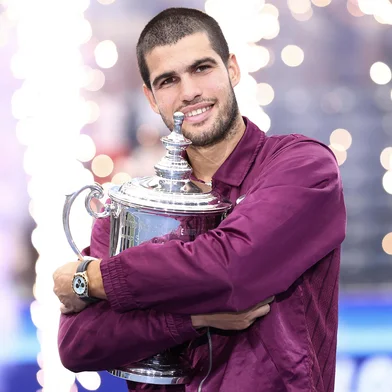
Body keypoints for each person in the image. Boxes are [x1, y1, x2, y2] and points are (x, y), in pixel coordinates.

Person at [53, 7, 346, 392]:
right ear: (152, 97)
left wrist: (92, 279)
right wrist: (193, 319)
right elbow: (78, 344)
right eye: (168, 80)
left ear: (233, 69)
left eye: (202, 68)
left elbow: (231, 268)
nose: (189, 92)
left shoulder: (302, 166)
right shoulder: (135, 206)